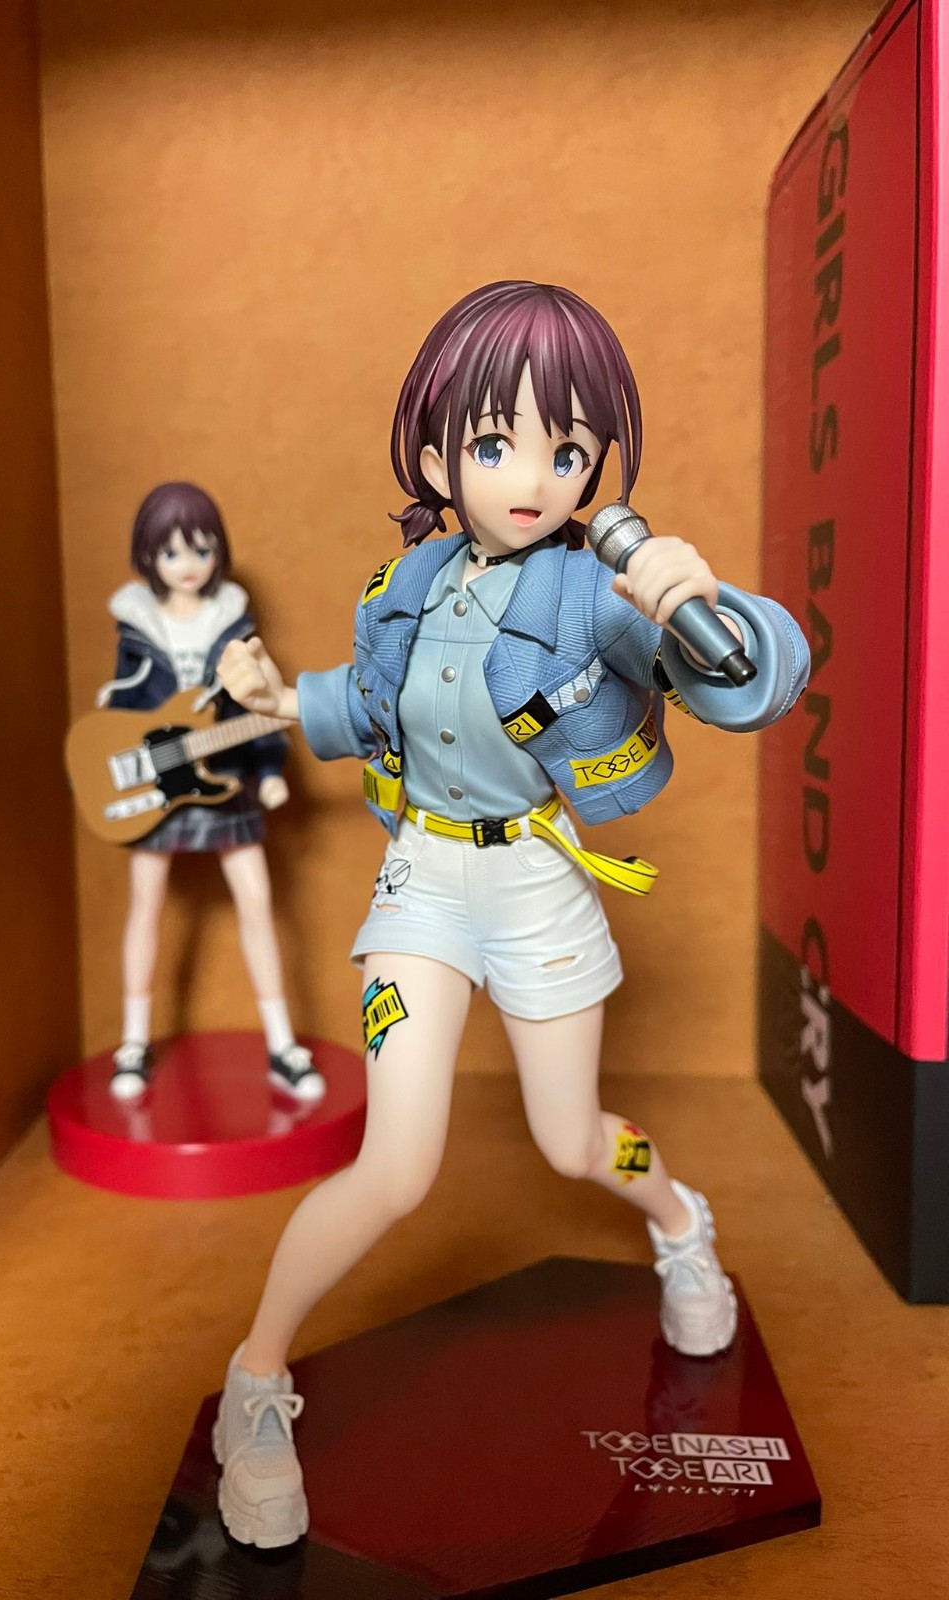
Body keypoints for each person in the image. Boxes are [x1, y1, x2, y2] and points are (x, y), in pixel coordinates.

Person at [211, 282, 810, 1548]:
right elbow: (372, 702)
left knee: (577, 1141)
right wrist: (275, 702)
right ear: (439, 459)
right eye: (495, 445)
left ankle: (680, 1220)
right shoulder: (408, 581)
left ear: (595, 465)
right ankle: (255, 1381)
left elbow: (751, 684)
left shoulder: (598, 595)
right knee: (397, 1164)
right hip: (425, 881)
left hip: (537, 882)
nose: (532, 477)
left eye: (566, 449)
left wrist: (697, 597)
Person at [96, 480, 324, 1104]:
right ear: (148, 556)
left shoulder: (234, 624)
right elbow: (123, 700)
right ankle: (134, 1041)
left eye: (200, 549)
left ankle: (281, 1043)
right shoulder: (137, 622)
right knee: (145, 904)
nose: (188, 564)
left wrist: (270, 768)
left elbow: (258, 704)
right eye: (171, 552)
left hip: (224, 779)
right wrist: (122, 748)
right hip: (159, 784)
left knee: (258, 900)